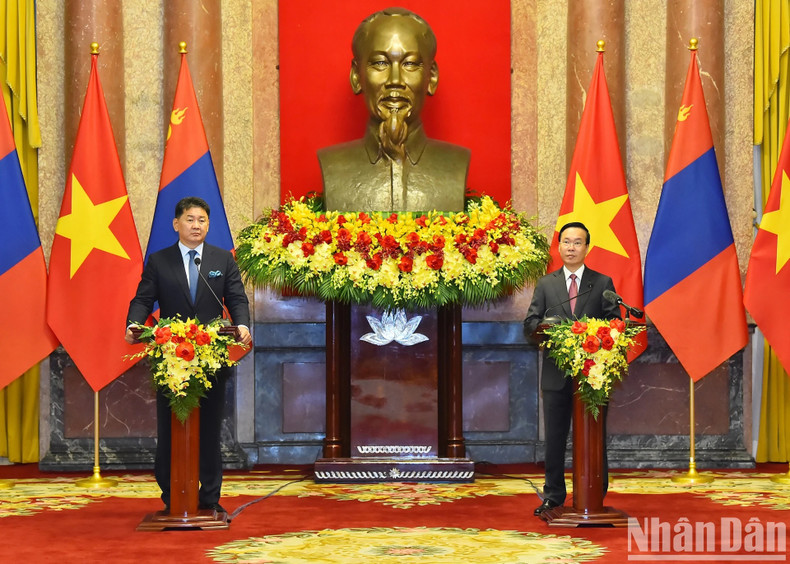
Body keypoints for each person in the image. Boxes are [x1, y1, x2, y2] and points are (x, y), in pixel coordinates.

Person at [125, 196, 251, 514]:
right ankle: (173, 496)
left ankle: (209, 498)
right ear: (176, 224)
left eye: (202, 221)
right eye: (191, 219)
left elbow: (236, 297)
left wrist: (243, 325)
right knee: (171, 428)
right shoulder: (160, 260)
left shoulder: (222, 260)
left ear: (209, 225)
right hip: (172, 359)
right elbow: (143, 298)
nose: (197, 225)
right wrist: (134, 324)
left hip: (211, 357)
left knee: (209, 429)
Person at [318, 7, 469, 212]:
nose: (395, 81)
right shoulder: (333, 165)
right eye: (380, 63)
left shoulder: (456, 164)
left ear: (431, 77)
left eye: (410, 64)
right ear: (356, 76)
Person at [524, 221, 620, 517]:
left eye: (578, 242)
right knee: (554, 438)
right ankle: (553, 496)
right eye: (566, 242)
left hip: (592, 376)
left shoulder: (602, 283)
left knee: (594, 437)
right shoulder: (546, 284)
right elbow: (530, 324)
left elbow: (614, 324)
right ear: (559, 246)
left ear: (587, 248)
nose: (571, 247)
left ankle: (592, 492)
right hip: (556, 375)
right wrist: (546, 330)